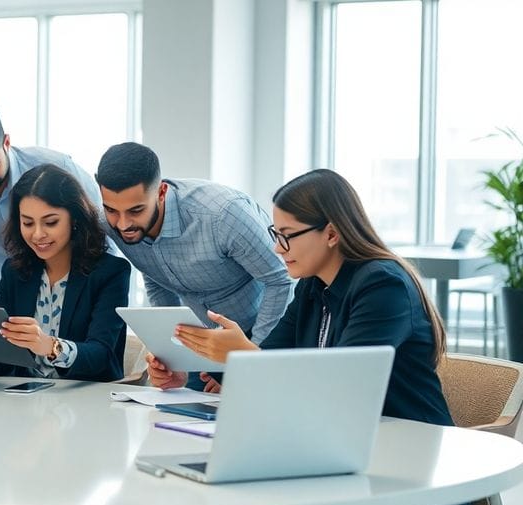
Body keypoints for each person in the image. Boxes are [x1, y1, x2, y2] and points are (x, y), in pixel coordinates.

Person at [148, 169, 455, 427]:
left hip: (410, 455)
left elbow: (343, 386)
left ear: (331, 234)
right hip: (341, 441)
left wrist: (242, 355)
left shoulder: (382, 286)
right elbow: (271, 367)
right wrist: (186, 370)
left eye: (287, 235)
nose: (278, 248)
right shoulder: (312, 287)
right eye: (275, 233)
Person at [96, 142, 293, 390]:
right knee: (172, 421)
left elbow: (280, 280)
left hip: (259, 340)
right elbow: (156, 276)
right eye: (112, 210)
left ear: (161, 192)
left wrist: (248, 360)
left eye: (136, 210)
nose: (123, 224)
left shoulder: (224, 215)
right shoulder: (109, 223)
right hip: (200, 351)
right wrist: (172, 357)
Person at [0, 164, 130, 382]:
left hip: (88, 402)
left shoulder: (111, 273)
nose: (38, 234)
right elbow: (3, 351)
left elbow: (102, 355)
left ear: (74, 219)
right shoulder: (14, 272)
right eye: (28, 223)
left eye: (51, 222)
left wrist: (50, 346)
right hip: (25, 403)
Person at [0, 104, 103, 306]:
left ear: (7, 142)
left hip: (70, 289)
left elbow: (100, 232)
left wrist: (97, 295)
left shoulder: (59, 167)